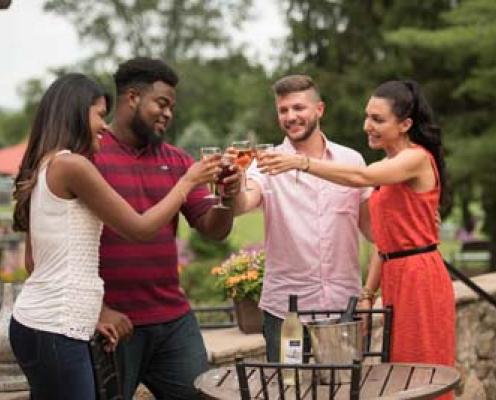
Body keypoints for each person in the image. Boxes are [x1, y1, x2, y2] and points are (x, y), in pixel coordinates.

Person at [9, 73, 224, 400]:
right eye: (98, 114)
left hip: (46, 325)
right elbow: (139, 229)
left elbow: (41, 260)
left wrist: (91, 312)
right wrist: (186, 181)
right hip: (55, 329)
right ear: (78, 113)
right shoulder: (74, 167)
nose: (104, 125)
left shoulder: (48, 164)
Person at [261, 80, 456, 383]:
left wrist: (300, 162)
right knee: (399, 375)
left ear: (405, 124)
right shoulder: (389, 163)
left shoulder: (415, 158)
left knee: (421, 373)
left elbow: (359, 176)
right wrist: (368, 293)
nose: (367, 125)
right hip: (395, 275)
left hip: (419, 277)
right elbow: (384, 240)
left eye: (378, 119)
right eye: (367, 116)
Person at [94, 57, 241, 400]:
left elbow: (213, 229)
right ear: (132, 98)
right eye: (161, 103)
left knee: (206, 395)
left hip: (173, 320)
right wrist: (99, 311)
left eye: (172, 106)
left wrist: (228, 197)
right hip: (113, 324)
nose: (168, 114)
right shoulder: (91, 157)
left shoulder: (177, 160)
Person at [233, 74, 372, 362]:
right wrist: (231, 186)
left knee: (342, 392)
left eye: (298, 108)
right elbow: (242, 203)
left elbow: (375, 229)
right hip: (285, 312)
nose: (290, 116)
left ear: (319, 109)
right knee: (287, 390)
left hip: (344, 309)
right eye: (283, 110)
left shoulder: (352, 162)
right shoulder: (266, 161)